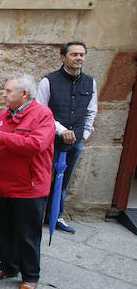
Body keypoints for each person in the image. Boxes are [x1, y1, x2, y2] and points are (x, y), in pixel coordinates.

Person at [0, 74, 55, 289]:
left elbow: (36, 145)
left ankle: (30, 275)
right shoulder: (6, 114)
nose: (3, 94)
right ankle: (7, 265)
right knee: (3, 228)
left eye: (8, 91)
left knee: (27, 233)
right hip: (4, 184)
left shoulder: (43, 115)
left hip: (28, 187)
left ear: (24, 94)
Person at [36, 41, 96, 234]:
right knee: (43, 178)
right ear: (63, 57)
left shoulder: (90, 82)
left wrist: (84, 134)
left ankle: (55, 216)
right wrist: (60, 130)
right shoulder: (49, 81)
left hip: (76, 140)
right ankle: (36, 216)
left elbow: (91, 111)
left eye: (81, 54)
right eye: (74, 54)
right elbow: (41, 110)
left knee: (63, 182)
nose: (78, 58)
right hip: (51, 139)